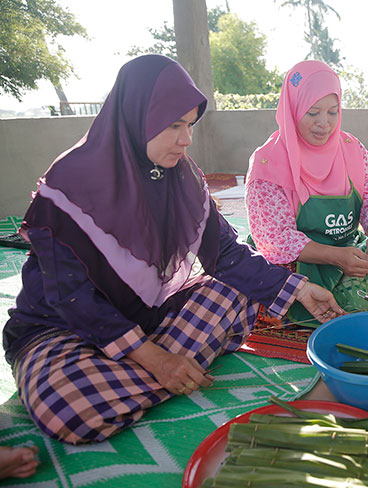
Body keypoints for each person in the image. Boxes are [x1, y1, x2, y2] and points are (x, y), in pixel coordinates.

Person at [2, 55, 343, 445]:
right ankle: (159, 372)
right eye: (174, 125)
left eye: (190, 125)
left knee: (240, 293)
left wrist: (299, 288)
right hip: (60, 330)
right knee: (72, 410)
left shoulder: (181, 177)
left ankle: (134, 378)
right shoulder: (68, 186)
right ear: (135, 118)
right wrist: (156, 359)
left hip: (143, 317)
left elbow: (226, 255)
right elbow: (71, 296)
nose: (186, 139)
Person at [246, 60, 368, 321]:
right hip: (297, 261)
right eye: (312, 112)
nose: (324, 123)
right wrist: (335, 257)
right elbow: (275, 238)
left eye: (333, 112)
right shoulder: (268, 163)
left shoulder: (350, 147)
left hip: (347, 249)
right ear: (292, 110)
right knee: (277, 291)